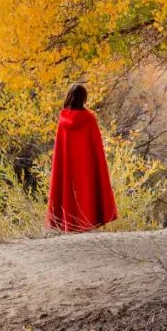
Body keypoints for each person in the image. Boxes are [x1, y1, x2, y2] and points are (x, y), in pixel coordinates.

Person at [46, 83, 118, 232]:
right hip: (86, 167)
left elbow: (60, 152)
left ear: (69, 97)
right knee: (87, 191)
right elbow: (96, 149)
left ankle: (68, 225)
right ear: (83, 99)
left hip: (67, 168)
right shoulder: (89, 118)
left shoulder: (62, 119)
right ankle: (86, 223)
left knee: (67, 190)